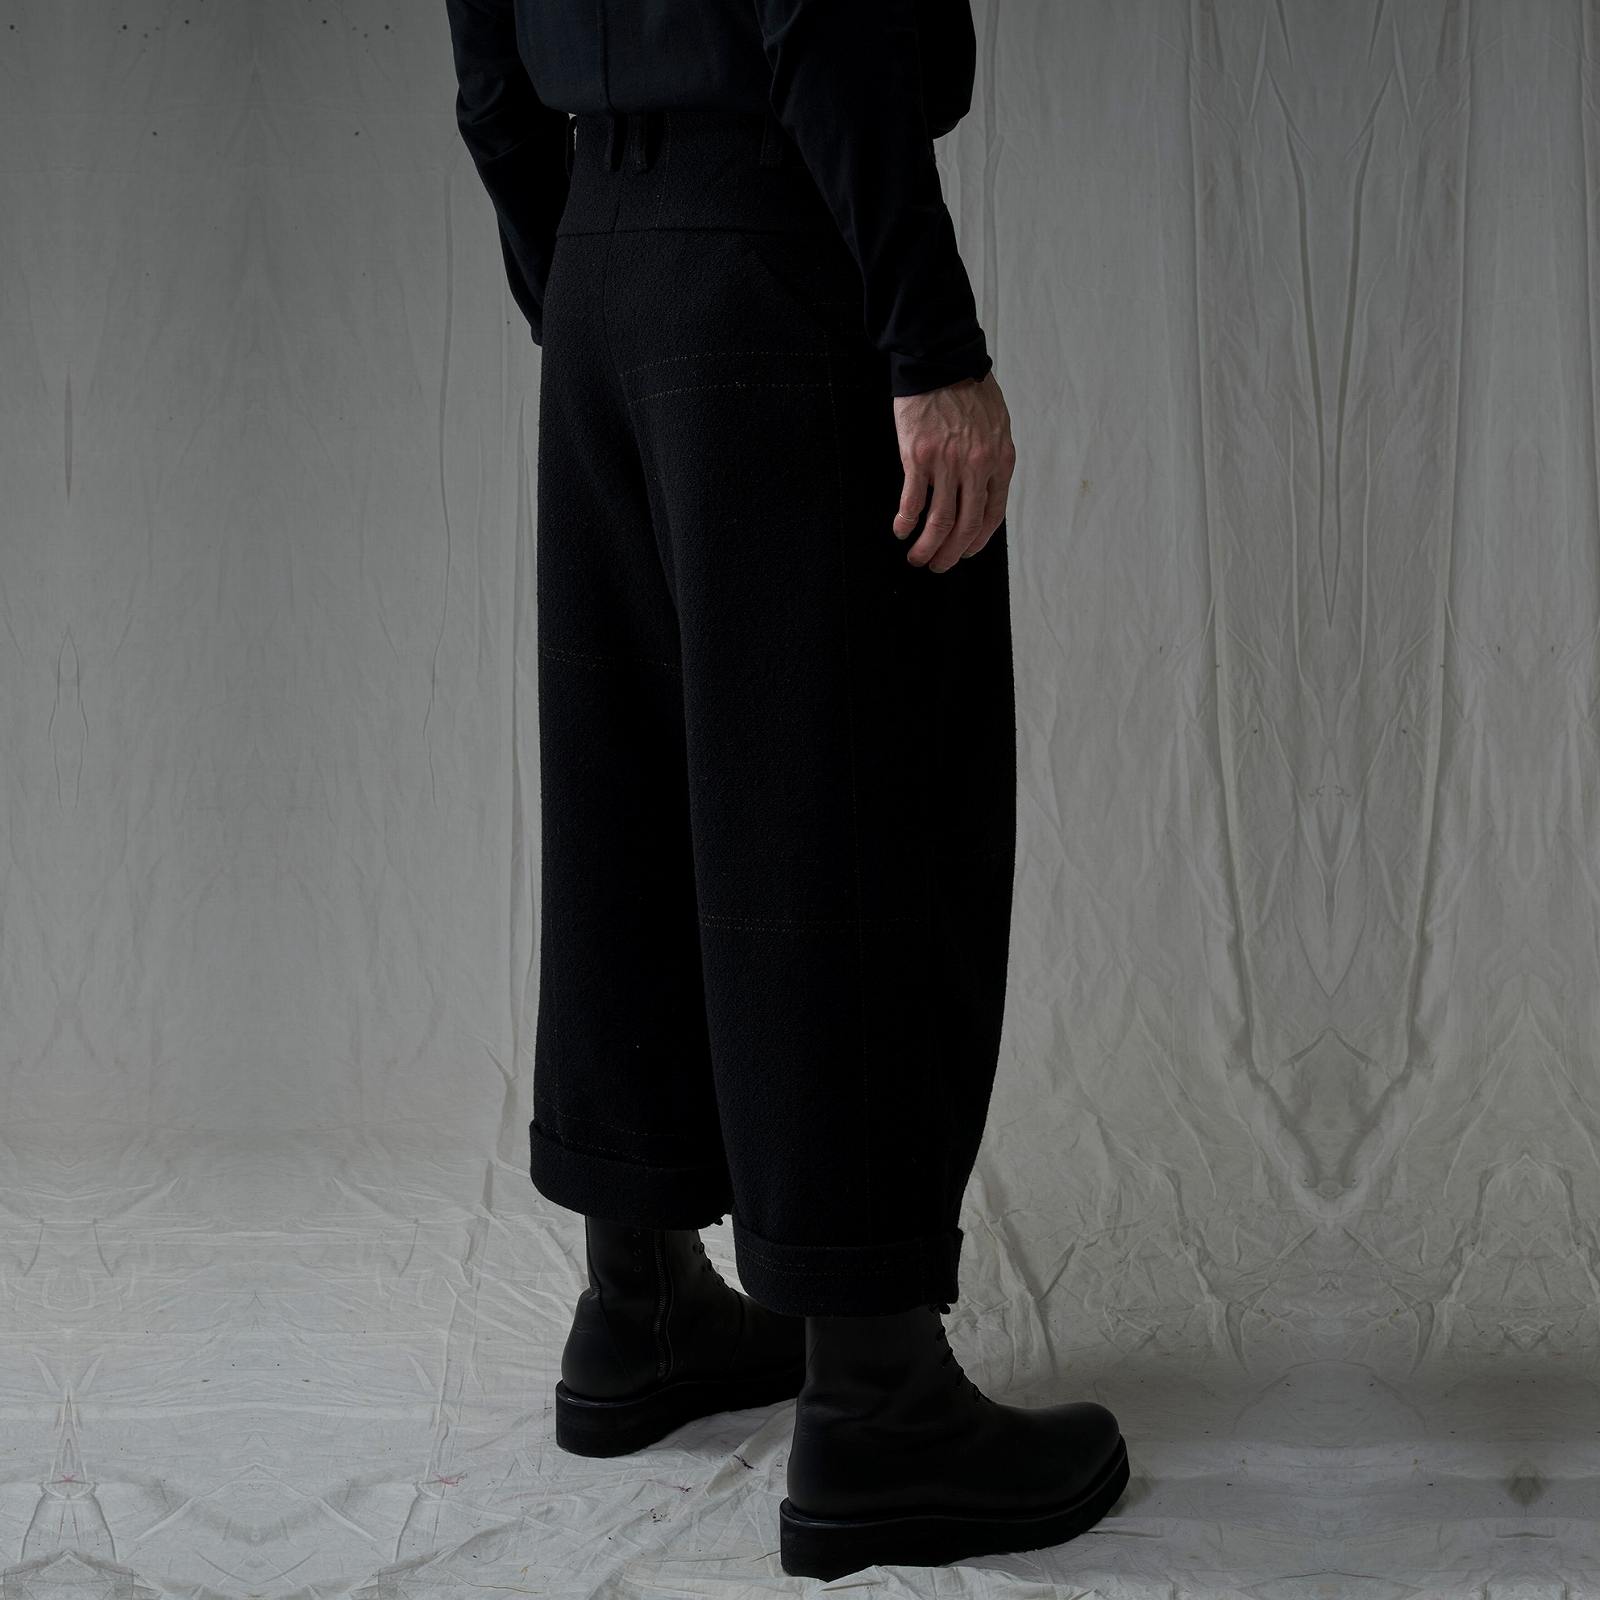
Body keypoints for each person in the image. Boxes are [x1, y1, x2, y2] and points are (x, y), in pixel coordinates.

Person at [442, 0, 1129, 1577]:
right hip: (778, 236)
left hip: (606, 252)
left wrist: (592, 260)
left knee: (635, 791)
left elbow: (487, 61)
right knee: (851, 808)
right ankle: (876, 1399)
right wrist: (928, 337)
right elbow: (819, 8)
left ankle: (641, 1301)